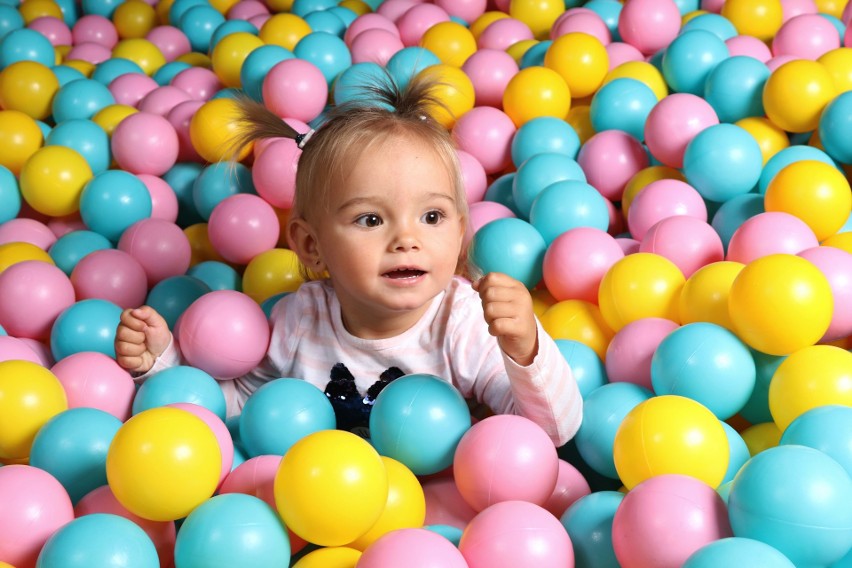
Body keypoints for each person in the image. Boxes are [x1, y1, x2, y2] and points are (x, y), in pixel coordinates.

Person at [115, 73, 582, 447]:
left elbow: (549, 433)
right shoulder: (301, 319)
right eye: (370, 220)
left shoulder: (463, 324)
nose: (406, 238)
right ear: (311, 245)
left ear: (461, 232)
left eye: (432, 216)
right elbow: (242, 409)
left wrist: (525, 348)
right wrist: (166, 367)